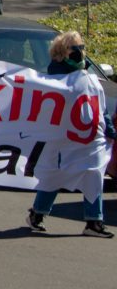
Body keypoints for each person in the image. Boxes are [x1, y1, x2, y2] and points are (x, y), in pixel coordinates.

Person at [25, 32, 114, 237]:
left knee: (94, 174)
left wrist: (109, 130)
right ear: (62, 53)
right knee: (55, 177)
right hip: (62, 141)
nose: (81, 54)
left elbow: (101, 109)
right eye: (76, 50)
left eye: (82, 49)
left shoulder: (89, 80)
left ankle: (94, 221)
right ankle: (37, 214)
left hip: (90, 140)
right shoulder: (52, 81)